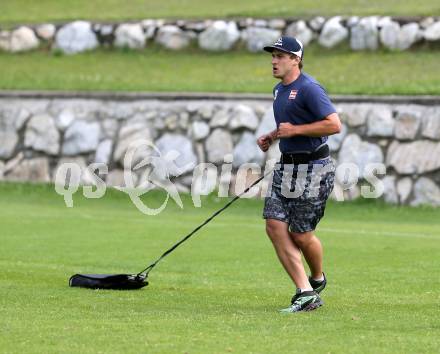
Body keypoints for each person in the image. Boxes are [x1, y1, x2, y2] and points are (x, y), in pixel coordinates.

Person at [257, 36, 341, 313]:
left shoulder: (310, 89)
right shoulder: (278, 91)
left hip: (315, 169)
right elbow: (289, 125)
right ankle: (305, 292)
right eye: (273, 55)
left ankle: (317, 278)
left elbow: (333, 124)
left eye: (281, 56)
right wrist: (272, 136)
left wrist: (296, 131)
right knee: (273, 224)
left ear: (296, 59)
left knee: (301, 235)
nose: (274, 60)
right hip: (286, 166)